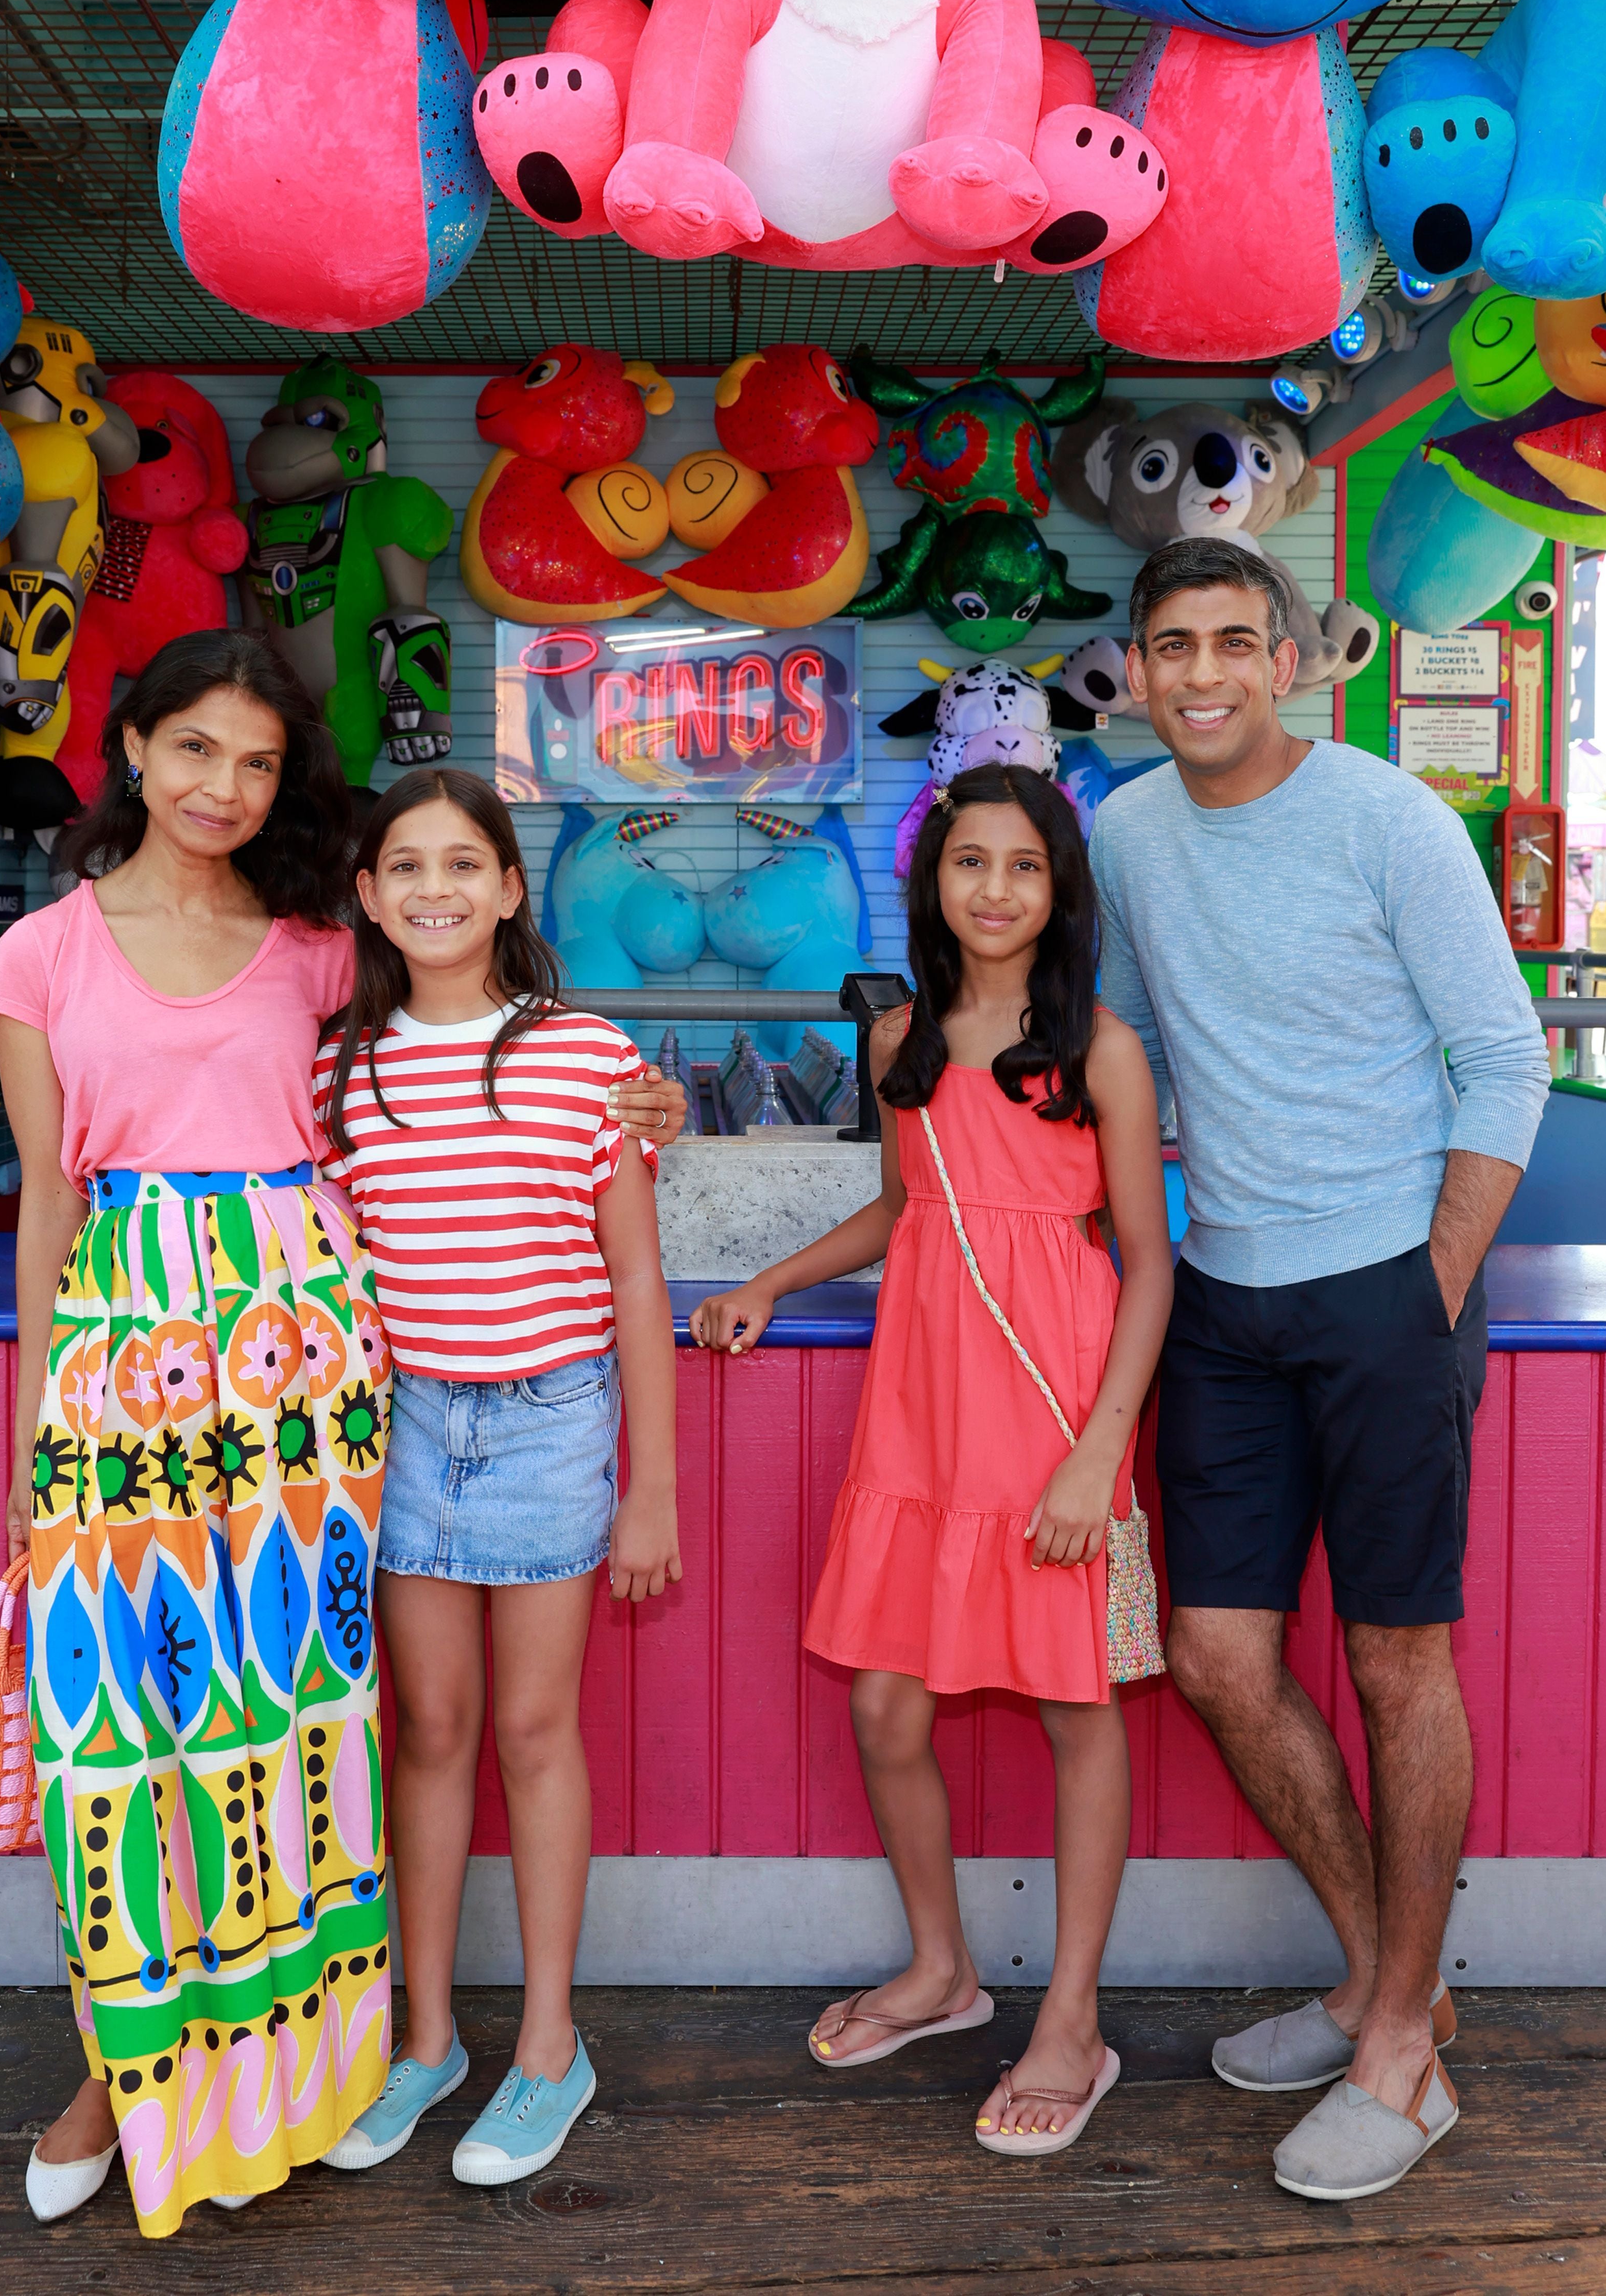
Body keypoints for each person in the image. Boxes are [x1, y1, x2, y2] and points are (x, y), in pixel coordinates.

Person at [0, 637, 682, 2235]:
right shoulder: (40, 953)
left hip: (317, 1382)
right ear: (134, 747)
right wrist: (33, 1437)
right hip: (122, 1376)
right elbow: (46, 1199)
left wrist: (654, 1104)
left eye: (255, 763)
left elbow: (484, 1096)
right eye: (194, 753)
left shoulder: (317, 951)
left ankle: (336, 2060)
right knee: (123, 1746)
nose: (222, 789)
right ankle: (119, 2062)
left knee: (292, 1737)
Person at [1090, 537, 1550, 2202]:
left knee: (1392, 1667)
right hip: (1219, 1292)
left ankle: (1398, 2059)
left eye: (1232, 640)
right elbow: (1121, 1046)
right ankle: (1384, 1977)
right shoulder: (1125, 834)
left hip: (1382, 1288)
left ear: (1291, 658)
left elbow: (1503, 1059)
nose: (1200, 673)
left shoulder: (1383, 818)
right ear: (1133, 674)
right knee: (1217, 1655)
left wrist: (1426, 1285)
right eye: (1169, 646)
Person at [693, 766, 1174, 2154]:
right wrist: (771, 1281)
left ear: (1057, 888)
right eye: (971, 862)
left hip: (1050, 1425)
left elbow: (1145, 1267)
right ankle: (941, 1969)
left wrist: (1097, 1455)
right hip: (919, 1422)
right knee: (885, 1712)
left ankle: (1070, 2020)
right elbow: (906, 1215)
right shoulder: (899, 1038)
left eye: (1024, 867)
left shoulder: (1100, 1050)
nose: (996, 890)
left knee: (1078, 1713)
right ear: (933, 880)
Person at [310, 770, 681, 2190]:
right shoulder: (338, 1064)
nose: (433, 889)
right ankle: (426, 2041)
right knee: (431, 1732)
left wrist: (649, 1489)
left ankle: (546, 2048)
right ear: (367, 893)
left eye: (464, 864)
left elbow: (636, 1279)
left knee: (534, 1731)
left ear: (512, 890)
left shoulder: (587, 1056)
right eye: (404, 865)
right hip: (402, 1434)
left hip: (549, 1423)